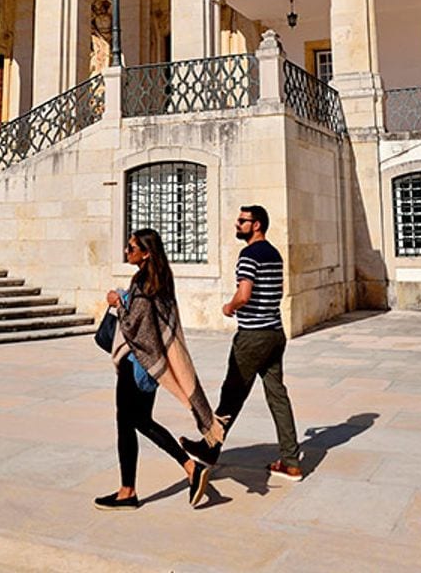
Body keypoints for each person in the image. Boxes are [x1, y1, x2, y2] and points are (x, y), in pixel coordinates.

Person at [97, 228, 224, 509]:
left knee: (126, 425)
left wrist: (118, 304)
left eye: (131, 248)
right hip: (153, 366)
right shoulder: (162, 280)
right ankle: (190, 468)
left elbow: (135, 328)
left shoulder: (143, 283)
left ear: (146, 253)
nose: (127, 252)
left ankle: (127, 491)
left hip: (138, 364)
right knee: (142, 421)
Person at [183, 204, 303, 482]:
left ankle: (209, 449)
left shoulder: (248, 254)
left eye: (242, 221)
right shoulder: (274, 253)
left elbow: (245, 293)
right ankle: (291, 460)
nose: (237, 225)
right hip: (275, 333)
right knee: (277, 396)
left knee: (231, 394)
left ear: (257, 224)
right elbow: (278, 291)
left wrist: (230, 306)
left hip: (252, 336)